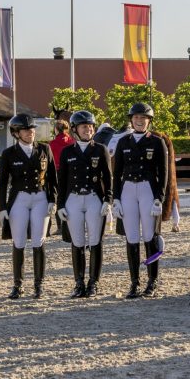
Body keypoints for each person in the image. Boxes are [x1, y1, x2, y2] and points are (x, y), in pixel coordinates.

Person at [0, 114, 58, 299]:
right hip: (19, 199)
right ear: (16, 133)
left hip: (40, 197)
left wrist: (53, 200)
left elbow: (52, 178)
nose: (30, 133)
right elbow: (2, 183)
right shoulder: (9, 153)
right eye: (25, 130)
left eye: (32, 129)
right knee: (19, 241)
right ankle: (18, 284)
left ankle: (39, 285)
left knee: (39, 241)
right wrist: (2, 208)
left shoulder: (44, 149)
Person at [112, 102, 170, 298]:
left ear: (148, 121)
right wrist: (116, 198)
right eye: (136, 117)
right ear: (131, 120)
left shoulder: (156, 142)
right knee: (131, 237)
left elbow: (163, 173)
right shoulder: (123, 142)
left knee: (149, 236)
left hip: (147, 189)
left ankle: (152, 281)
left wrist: (159, 198)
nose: (139, 121)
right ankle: (134, 282)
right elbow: (117, 172)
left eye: (143, 118)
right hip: (128, 189)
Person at [57, 110, 113, 298]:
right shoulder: (67, 152)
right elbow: (62, 180)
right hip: (73, 198)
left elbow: (108, 176)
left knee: (96, 240)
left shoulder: (100, 149)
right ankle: (79, 282)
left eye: (90, 127)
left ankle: (93, 282)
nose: (88, 130)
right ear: (75, 130)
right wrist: (60, 205)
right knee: (78, 242)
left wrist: (108, 199)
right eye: (84, 127)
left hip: (93, 198)